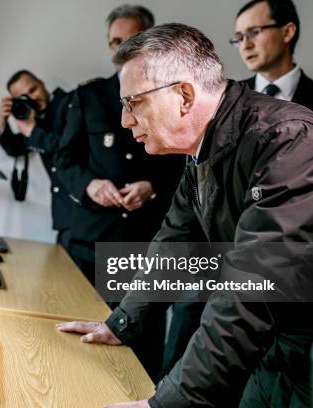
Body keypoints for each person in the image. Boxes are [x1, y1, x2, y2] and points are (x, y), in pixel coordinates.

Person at [58, 23, 313, 407]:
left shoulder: (292, 141)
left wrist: (167, 402)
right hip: (273, 346)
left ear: (184, 95)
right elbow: (174, 244)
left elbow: (252, 285)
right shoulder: (205, 150)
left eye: (133, 103)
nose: (126, 121)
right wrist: (122, 324)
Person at [53, 4, 185, 382]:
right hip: (87, 242)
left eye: (131, 39)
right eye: (115, 41)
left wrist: (154, 187)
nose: (121, 47)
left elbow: (184, 162)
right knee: (73, 348)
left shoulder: (174, 98)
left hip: (142, 247)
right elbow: (64, 160)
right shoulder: (90, 96)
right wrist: (90, 185)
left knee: (135, 354)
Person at [233, 0, 313, 137]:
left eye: (254, 32)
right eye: (239, 38)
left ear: (287, 32)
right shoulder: (227, 101)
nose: (245, 46)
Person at [0, 70, 74, 252]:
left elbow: (66, 148)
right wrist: (3, 122)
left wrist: (31, 130)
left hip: (85, 212)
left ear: (41, 82)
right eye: (24, 97)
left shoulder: (71, 103)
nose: (32, 97)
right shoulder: (35, 119)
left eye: (33, 89)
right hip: (63, 216)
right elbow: (14, 149)